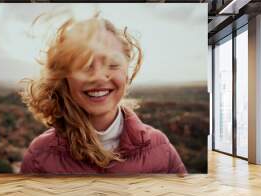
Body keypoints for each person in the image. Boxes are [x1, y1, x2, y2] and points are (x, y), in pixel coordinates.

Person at [20, 16, 187, 175]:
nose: (99, 77)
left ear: (126, 76)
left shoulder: (160, 149)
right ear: (65, 78)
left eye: (113, 64)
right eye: (84, 65)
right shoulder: (39, 156)